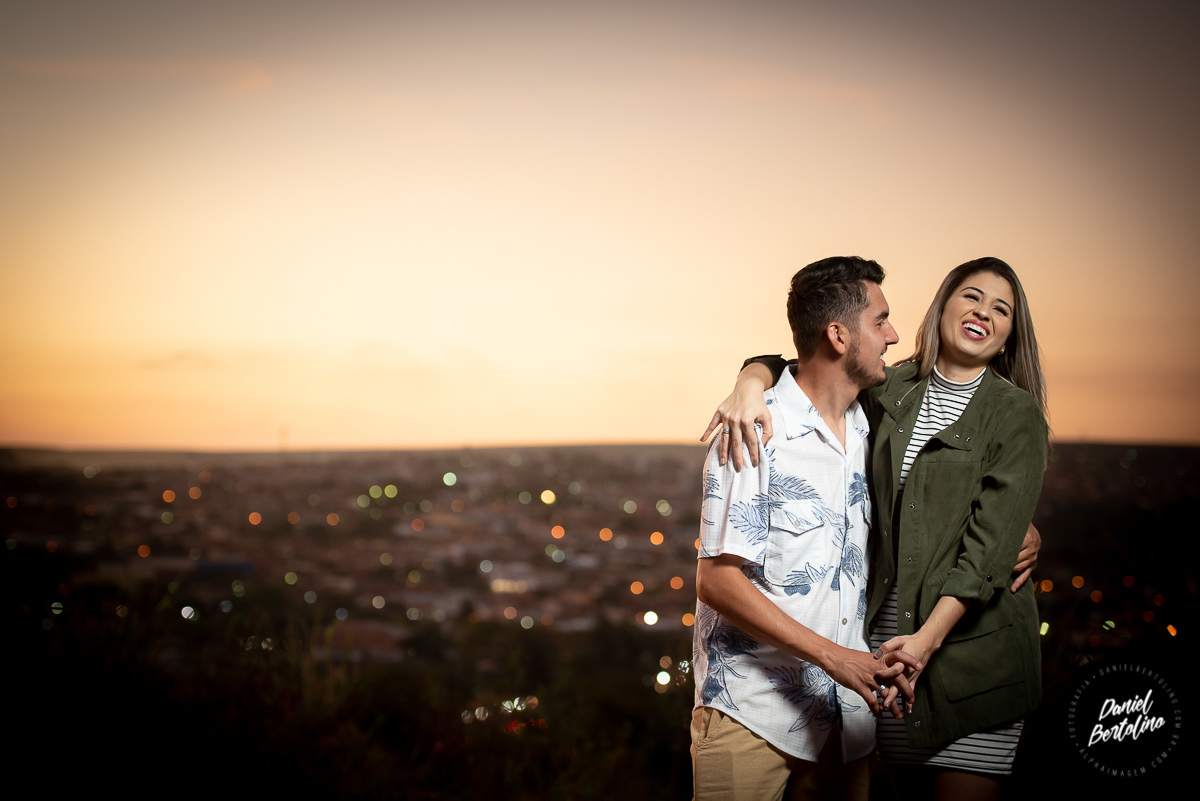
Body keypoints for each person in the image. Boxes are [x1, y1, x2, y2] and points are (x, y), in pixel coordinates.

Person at [708, 257, 1048, 801]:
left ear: (1011, 333)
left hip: (962, 657)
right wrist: (750, 380)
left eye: (1001, 309)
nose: (983, 312)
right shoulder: (889, 390)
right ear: (943, 306)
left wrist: (1017, 529)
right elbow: (810, 360)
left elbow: (989, 543)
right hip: (882, 662)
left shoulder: (1013, 413)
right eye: (971, 297)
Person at [691, 256, 921, 801]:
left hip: (848, 725)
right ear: (839, 335)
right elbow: (717, 581)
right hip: (752, 714)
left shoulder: (876, 426)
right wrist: (835, 657)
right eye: (880, 320)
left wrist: (1018, 524)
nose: (893, 336)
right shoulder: (754, 429)